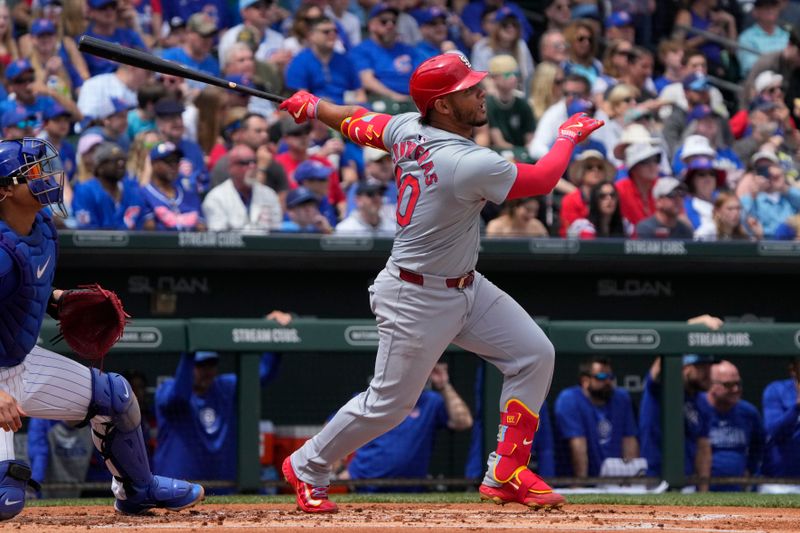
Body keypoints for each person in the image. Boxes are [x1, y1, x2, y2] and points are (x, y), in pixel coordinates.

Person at [277, 52, 604, 512]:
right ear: (444, 107)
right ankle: (308, 464)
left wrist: (314, 108)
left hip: (465, 285)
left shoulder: (409, 126)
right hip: (416, 295)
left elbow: (356, 120)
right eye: (468, 90)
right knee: (387, 405)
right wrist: (567, 136)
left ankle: (506, 470)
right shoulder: (465, 161)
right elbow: (545, 178)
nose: (480, 92)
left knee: (534, 353)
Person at [0, 137, 203, 517]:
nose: (46, 177)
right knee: (5, 500)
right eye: (31, 174)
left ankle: (137, 489)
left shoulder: (41, 226)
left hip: (19, 362)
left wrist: (55, 298)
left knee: (116, 398)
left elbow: (22, 285)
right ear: (4, 191)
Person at [154, 347, 282, 494]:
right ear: (188, 366)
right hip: (176, 490)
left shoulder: (225, 387)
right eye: (200, 365)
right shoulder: (167, 389)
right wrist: (189, 355)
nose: (206, 371)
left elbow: (261, 373)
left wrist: (276, 343)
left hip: (223, 490)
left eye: (211, 364)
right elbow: (178, 397)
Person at [341, 362, 472, 491]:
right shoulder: (371, 398)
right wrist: (340, 469)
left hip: (411, 488)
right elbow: (333, 429)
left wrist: (444, 385)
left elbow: (464, 421)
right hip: (365, 484)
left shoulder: (431, 401)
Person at [639, 350, 716, 491]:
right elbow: (658, 369)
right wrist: (685, 334)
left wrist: (703, 490)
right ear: (685, 368)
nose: (708, 373)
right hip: (654, 478)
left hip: (687, 481)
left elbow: (703, 447)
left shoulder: (702, 402)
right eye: (701, 367)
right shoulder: (660, 389)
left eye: (709, 367)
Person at [554, 357, 639, 478]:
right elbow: (578, 446)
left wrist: (632, 483)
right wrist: (581, 485)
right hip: (578, 479)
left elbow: (629, 440)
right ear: (585, 381)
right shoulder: (569, 399)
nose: (608, 382)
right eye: (601, 377)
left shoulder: (621, 398)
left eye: (611, 377)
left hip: (615, 481)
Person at [697, 360, 765, 491]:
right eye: (728, 385)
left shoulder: (749, 412)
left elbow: (759, 447)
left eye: (738, 384)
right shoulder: (696, 406)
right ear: (711, 385)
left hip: (736, 488)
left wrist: (750, 471)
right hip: (698, 486)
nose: (735, 389)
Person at [202, 143, 282, 232]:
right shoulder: (216, 198)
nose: (252, 166)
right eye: (245, 163)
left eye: (254, 162)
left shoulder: (269, 194)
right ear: (230, 168)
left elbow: (275, 231)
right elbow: (219, 238)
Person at [350, 4, 421, 103]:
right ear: (371, 25)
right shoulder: (361, 50)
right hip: (382, 101)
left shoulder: (407, 49)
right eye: (384, 21)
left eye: (394, 22)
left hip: (411, 99)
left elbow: (420, 76)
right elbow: (367, 81)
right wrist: (395, 96)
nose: (390, 25)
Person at [285, 16, 363, 105]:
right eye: (326, 32)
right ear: (311, 35)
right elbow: (300, 99)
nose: (332, 34)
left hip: (345, 112)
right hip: (315, 113)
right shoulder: (300, 62)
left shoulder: (346, 61)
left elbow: (360, 95)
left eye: (335, 31)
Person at [72, 142, 145, 230]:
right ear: (99, 167)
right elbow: (87, 232)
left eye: (123, 160)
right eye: (114, 161)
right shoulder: (85, 191)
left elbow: (140, 229)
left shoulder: (133, 192)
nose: (120, 164)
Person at [141, 141, 206, 232]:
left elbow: (203, 233)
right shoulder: (143, 195)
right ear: (153, 163)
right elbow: (149, 237)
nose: (173, 165)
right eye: (168, 161)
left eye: (176, 161)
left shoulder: (190, 195)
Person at [760, 357, 800, 493]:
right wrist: (796, 407)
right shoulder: (777, 390)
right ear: (793, 369)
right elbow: (774, 432)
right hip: (778, 483)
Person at [484, 55, 535, 151]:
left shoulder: (523, 104)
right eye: (508, 74)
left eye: (516, 73)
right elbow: (499, 142)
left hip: (521, 153)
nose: (513, 78)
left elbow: (530, 138)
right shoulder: (489, 104)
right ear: (494, 78)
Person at [560, 149, 616, 236]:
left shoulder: (612, 196)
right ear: (581, 172)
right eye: (589, 167)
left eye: (600, 167)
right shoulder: (570, 200)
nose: (595, 170)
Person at [737, 0, 789, 77]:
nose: (771, 10)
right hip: (758, 82)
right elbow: (750, 68)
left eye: (774, 7)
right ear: (755, 12)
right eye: (766, 8)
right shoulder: (746, 37)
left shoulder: (786, 35)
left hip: (788, 79)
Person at [567, 181, 632, 239]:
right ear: (595, 200)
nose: (609, 199)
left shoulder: (625, 225)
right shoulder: (584, 227)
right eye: (602, 196)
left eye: (613, 195)